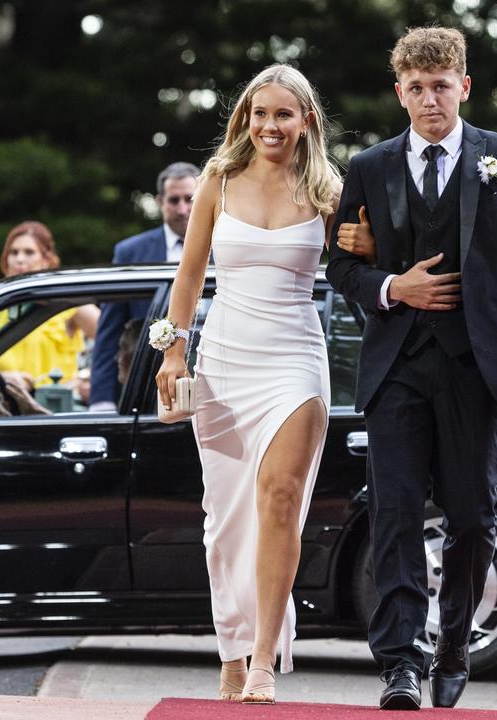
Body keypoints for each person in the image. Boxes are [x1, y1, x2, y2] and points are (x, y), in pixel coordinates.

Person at [327, 27, 497, 710]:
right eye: (416, 87)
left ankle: (454, 641)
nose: (430, 98)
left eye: (441, 85)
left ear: (463, 86)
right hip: (396, 366)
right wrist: (391, 287)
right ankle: (401, 661)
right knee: (396, 514)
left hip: (476, 366)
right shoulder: (370, 167)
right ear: (398, 93)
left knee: (472, 517)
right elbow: (341, 265)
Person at [155, 64, 339, 704]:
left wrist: (371, 250)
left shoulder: (329, 190)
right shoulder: (217, 180)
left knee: (281, 500)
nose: (270, 125)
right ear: (245, 118)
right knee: (226, 520)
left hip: (295, 358)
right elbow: (188, 277)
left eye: (283, 114)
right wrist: (173, 352)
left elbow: (364, 263)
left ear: (305, 120)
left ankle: (264, 659)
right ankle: (232, 649)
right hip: (225, 360)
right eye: (260, 113)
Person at [89, 162, 200, 412]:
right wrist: (102, 400)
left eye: (189, 199)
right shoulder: (131, 252)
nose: (182, 209)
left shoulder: (224, 246)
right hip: (146, 386)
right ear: (161, 201)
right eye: (174, 200)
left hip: (208, 378)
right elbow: (110, 330)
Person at [0, 221, 99, 391]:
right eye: (13, 252)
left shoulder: (67, 302)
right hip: (5, 410)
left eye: (29, 252)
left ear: (46, 260)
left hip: (56, 410)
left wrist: (85, 377)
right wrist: (2, 377)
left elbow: (114, 341)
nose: (19, 259)